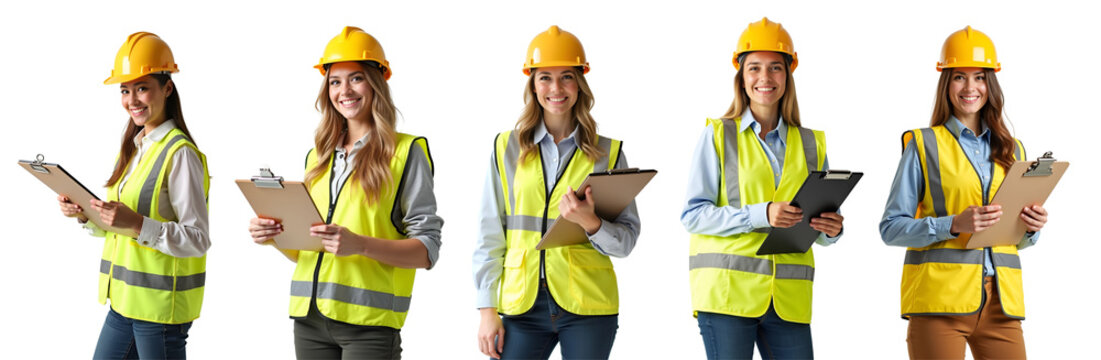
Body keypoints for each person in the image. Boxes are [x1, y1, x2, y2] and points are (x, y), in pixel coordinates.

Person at [246, 26, 442, 359]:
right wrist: (275, 236)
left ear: (377, 83)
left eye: (356, 78)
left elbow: (427, 250)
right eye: (335, 81)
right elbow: (309, 249)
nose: (344, 91)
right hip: (309, 319)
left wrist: (360, 244)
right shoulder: (318, 157)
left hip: (369, 325)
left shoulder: (407, 152)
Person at [472, 25, 641, 360]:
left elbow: (626, 242)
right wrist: (486, 309)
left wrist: (591, 222)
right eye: (545, 78)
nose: (556, 88)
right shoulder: (506, 148)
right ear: (533, 86)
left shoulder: (608, 153)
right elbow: (490, 231)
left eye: (566, 76)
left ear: (580, 83)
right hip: (522, 306)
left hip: (588, 306)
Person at [681, 18, 844, 360]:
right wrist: (762, 214)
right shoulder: (718, 135)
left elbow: (821, 221)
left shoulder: (811, 143)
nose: (765, 78)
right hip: (727, 297)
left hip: (788, 300)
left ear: (788, 75)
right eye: (754, 68)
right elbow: (693, 215)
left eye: (775, 68)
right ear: (741, 76)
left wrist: (832, 229)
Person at [880, 26, 1045, 360]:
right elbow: (890, 228)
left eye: (980, 77)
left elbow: (1015, 241)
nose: (970, 88)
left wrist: (1031, 226)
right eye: (959, 77)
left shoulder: (1014, 149)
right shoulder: (923, 144)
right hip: (938, 303)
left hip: (1002, 303)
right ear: (946, 83)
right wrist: (953, 223)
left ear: (991, 84)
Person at [56, 31, 210, 359]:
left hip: (160, 313)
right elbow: (119, 225)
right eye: (125, 90)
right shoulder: (134, 148)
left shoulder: (180, 153)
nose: (132, 100)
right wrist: (86, 213)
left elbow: (197, 239)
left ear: (167, 88)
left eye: (142, 88)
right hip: (123, 304)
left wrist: (140, 224)